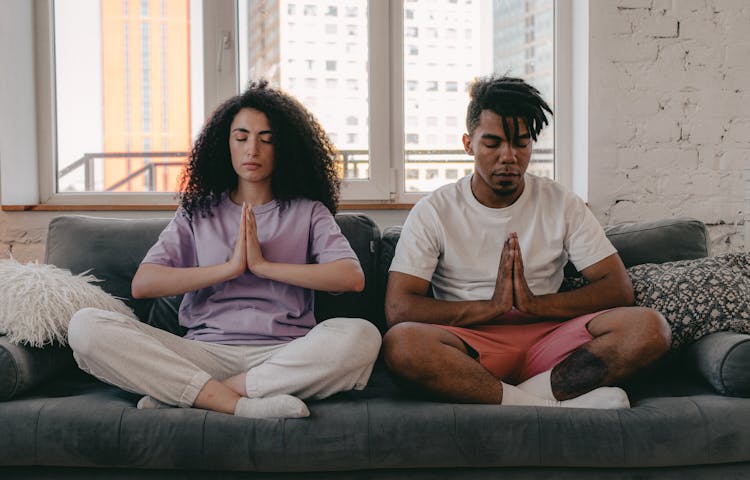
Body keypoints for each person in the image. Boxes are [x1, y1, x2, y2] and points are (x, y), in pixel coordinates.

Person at [67, 81, 381, 419]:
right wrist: (230, 268)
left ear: (284, 148)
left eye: (267, 139)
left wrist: (262, 266)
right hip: (202, 352)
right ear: (225, 144)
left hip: (284, 352)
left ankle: (194, 393)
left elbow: (350, 277)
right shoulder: (197, 211)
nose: (253, 151)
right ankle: (240, 403)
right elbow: (144, 284)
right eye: (242, 137)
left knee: (362, 336)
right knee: (85, 326)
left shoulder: (308, 211)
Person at [382, 75, 671, 409]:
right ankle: (547, 404)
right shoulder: (435, 210)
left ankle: (516, 399)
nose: (509, 156)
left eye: (521, 143)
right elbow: (398, 308)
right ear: (468, 144)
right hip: (471, 346)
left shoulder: (560, 201)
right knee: (401, 344)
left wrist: (534, 305)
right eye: (492, 143)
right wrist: (491, 307)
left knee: (650, 328)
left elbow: (617, 288)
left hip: (551, 338)